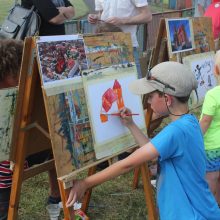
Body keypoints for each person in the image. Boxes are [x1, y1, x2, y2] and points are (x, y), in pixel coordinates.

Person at [66, 61, 220, 219]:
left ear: (167, 99)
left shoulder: (175, 132)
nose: (148, 102)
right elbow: (153, 154)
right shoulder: (190, 121)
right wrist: (131, 125)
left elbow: (128, 163)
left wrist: (85, 183)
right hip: (201, 210)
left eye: (151, 96)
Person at [0, 38, 60, 220]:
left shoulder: (14, 93)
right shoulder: (38, 86)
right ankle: (56, 196)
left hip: (18, 156)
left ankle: (3, 212)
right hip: (45, 147)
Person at [88, 0, 152, 78]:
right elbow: (102, 13)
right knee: (107, 85)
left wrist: (122, 21)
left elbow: (147, 16)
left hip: (126, 48)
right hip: (104, 48)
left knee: (133, 86)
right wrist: (96, 17)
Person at [200, 50, 220, 206]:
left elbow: (206, 120)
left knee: (212, 178)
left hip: (212, 147)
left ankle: (211, 207)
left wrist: (196, 137)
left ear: (216, 70)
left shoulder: (212, 94)